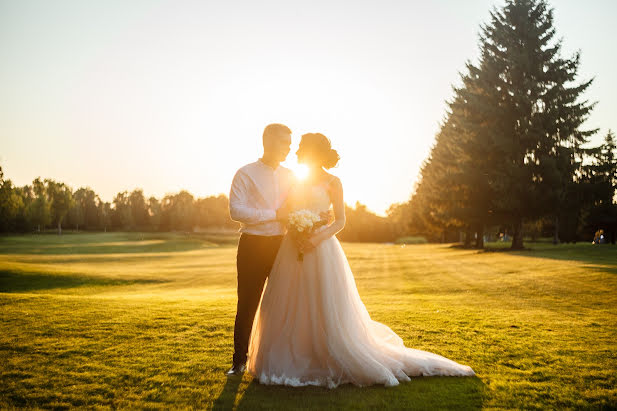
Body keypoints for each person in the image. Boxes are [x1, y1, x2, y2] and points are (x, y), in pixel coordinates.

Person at [247, 133, 476, 388]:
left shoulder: (333, 182)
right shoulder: (294, 180)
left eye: (301, 147)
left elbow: (341, 221)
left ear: (312, 151)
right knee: (291, 304)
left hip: (321, 249)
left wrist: (315, 236)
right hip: (292, 248)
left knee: (323, 303)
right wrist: (297, 227)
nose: (297, 151)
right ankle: (293, 354)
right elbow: (286, 210)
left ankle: (326, 353)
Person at [226, 123, 295, 376]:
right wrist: (274, 214)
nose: (289, 147)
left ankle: (280, 359)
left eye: (290, 142)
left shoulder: (292, 176)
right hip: (252, 246)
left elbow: (296, 208)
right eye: (283, 142)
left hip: (283, 247)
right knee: (247, 304)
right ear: (268, 142)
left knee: (284, 304)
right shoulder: (245, 173)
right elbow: (236, 211)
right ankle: (239, 361)